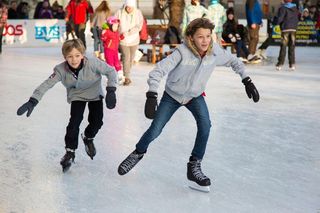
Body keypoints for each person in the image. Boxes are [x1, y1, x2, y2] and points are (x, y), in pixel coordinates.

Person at [117, 18, 260, 192]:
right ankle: (138, 152)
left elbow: (235, 62)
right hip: (172, 96)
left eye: (208, 36)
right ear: (191, 37)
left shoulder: (215, 52)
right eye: (200, 37)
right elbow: (158, 71)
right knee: (155, 129)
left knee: (205, 126)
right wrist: (152, 94)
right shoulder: (181, 52)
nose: (205, 40)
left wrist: (247, 80)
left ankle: (194, 165)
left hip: (195, 96)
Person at [17, 39, 118, 172]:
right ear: (65, 57)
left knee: (97, 121)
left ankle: (88, 137)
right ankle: (70, 152)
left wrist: (111, 90)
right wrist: (33, 100)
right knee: (74, 122)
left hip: (94, 93)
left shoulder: (93, 62)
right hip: (76, 95)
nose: (74, 60)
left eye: (77, 55)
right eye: (70, 56)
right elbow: (47, 84)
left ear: (82, 54)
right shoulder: (60, 69)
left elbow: (111, 71)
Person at [115, 0, 143, 86]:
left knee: (131, 59)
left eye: (130, 7)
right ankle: (126, 77)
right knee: (126, 57)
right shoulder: (119, 12)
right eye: (127, 7)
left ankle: (127, 74)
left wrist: (129, 32)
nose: (128, 9)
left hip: (134, 39)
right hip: (123, 40)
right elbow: (114, 22)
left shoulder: (138, 13)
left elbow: (139, 26)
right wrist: (115, 30)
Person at [275, 0, 299, 71]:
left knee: (283, 46)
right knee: (292, 46)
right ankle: (292, 64)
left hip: (285, 29)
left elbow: (280, 18)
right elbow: (297, 18)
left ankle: (280, 64)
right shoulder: (295, 8)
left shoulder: (283, 8)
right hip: (293, 29)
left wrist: (276, 23)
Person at [101, 16, 125, 84]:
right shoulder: (107, 32)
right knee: (110, 64)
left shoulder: (116, 32)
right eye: (114, 26)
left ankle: (120, 76)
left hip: (115, 50)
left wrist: (121, 37)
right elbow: (103, 39)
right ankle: (110, 78)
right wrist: (103, 34)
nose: (116, 28)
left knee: (117, 63)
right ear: (110, 25)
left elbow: (118, 39)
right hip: (108, 50)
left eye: (117, 26)